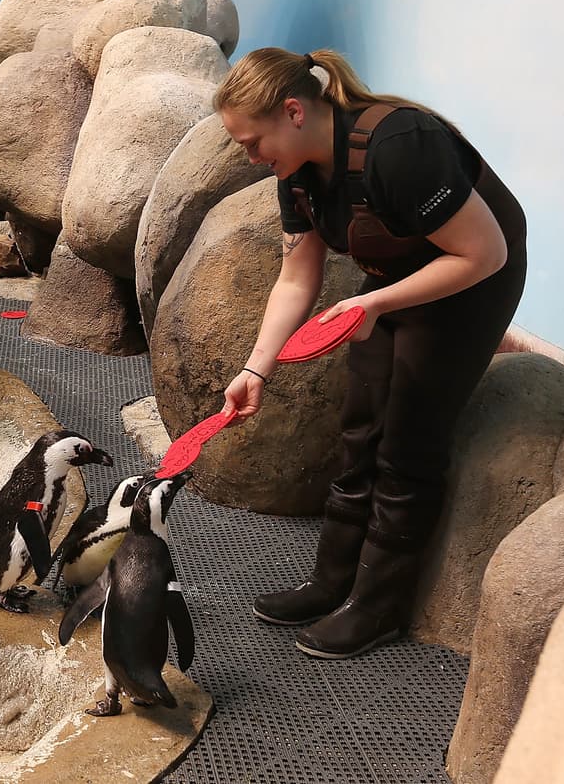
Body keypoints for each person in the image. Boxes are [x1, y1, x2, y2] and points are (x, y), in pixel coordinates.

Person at [214, 48, 526, 659]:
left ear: (295, 111)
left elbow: (484, 254)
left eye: (253, 142)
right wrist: (257, 367)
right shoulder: (297, 173)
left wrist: (376, 305)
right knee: (361, 425)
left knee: (408, 439)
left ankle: (377, 606)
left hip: (472, 277)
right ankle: (332, 581)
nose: (252, 158)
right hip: (397, 275)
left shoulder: (399, 145)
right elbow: (295, 278)